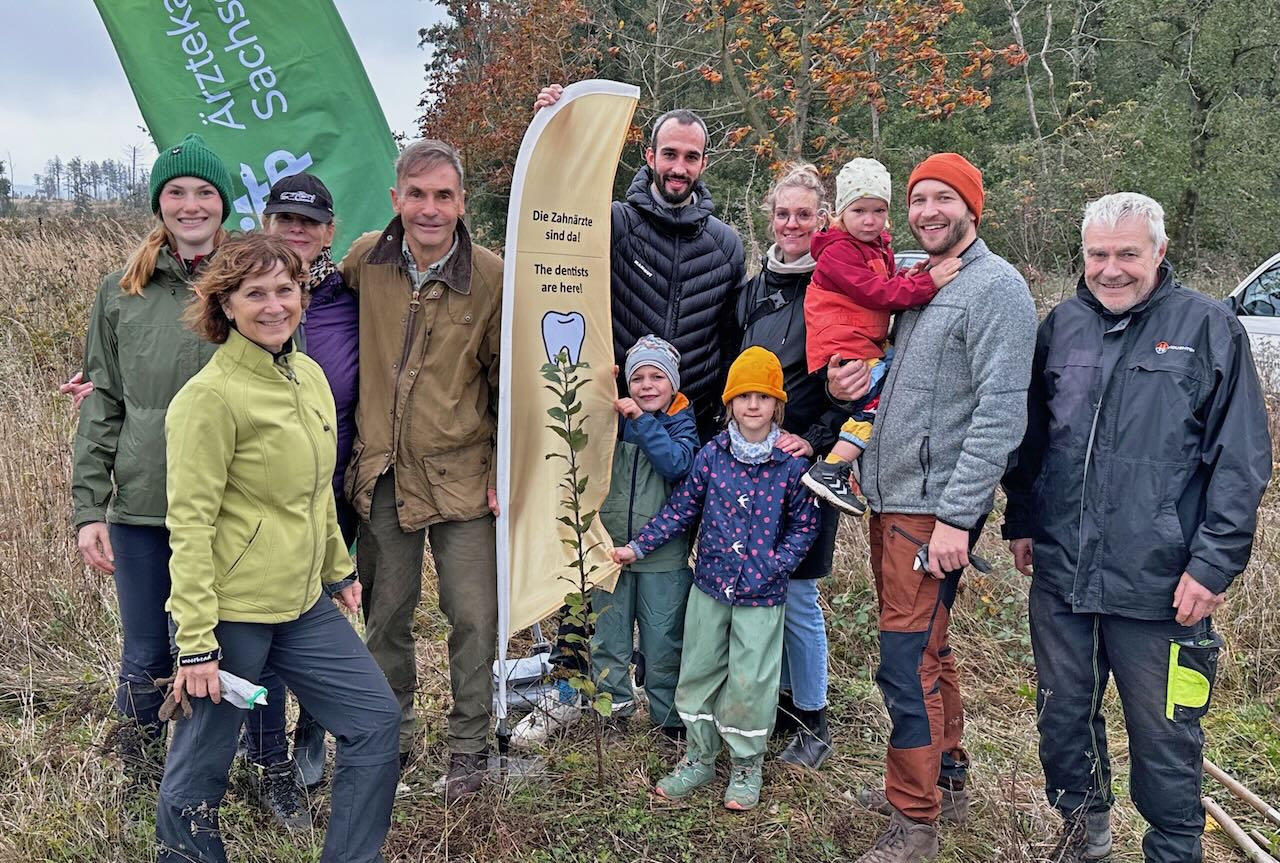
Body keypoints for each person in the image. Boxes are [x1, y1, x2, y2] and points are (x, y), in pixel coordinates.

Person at [1002, 192, 1271, 863]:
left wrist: (1213, 564)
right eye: (1099, 254)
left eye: (1127, 253)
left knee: (1166, 734)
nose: (1112, 269)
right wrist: (1023, 518)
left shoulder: (1209, 327)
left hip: (1164, 583)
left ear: (1159, 250)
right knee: (1062, 716)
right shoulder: (1059, 326)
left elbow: (1240, 460)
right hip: (1063, 573)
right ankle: (1081, 836)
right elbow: (1032, 440)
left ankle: (1174, 848)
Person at [69, 135, 297, 818]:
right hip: (144, 505)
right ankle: (139, 774)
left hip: (239, 508)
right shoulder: (122, 291)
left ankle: (269, 768)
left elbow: (289, 390)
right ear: (159, 203)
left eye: (204, 192)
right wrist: (88, 508)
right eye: (176, 192)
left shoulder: (250, 280)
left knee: (255, 649)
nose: (191, 204)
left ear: (223, 203)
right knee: (146, 648)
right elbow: (103, 398)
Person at [155, 232, 399, 863]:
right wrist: (197, 643)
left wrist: (338, 569)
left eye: (284, 289)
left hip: (300, 602)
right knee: (200, 769)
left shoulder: (309, 376)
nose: (273, 305)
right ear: (225, 305)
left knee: (375, 722)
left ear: (302, 295)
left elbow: (316, 494)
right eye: (253, 293)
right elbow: (189, 526)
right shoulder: (208, 399)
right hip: (232, 613)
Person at [844, 153, 1037, 863]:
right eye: (917, 199)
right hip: (892, 500)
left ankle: (913, 820)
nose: (927, 211)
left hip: (933, 512)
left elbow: (999, 413)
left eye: (942, 199)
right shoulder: (918, 282)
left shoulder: (996, 289)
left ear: (972, 208)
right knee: (928, 647)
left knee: (903, 661)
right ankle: (945, 777)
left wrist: (959, 516)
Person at [340, 139, 502, 800]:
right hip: (381, 473)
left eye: (443, 195)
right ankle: (393, 740)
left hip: (462, 474)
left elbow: (510, 382)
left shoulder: (491, 276)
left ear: (461, 202)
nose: (429, 209)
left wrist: (509, 469)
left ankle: (468, 749)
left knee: (474, 615)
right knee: (386, 615)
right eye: (417, 194)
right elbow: (292, 310)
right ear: (395, 198)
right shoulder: (364, 262)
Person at [613, 346, 819, 811]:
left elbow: (805, 526)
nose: (752, 406)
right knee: (699, 669)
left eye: (762, 397)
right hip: (710, 585)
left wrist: (775, 564)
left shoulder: (790, 465)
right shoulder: (712, 456)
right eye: (743, 396)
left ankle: (747, 765)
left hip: (761, 596)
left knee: (751, 680)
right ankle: (699, 756)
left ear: (776, 405)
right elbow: (682, 509)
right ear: (729, 403)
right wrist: (639, 546)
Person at [735, 163, 845, 769]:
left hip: (807, 464)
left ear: (823, 219)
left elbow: (856, 384)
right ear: (770, 218)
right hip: (750, 459)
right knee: (760, 584)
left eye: (805, 214)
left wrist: (818, 440)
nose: (793, 224)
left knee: (798, 592)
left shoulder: (837, 290)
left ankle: (813, 718)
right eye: (784, 213)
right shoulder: (753, 291)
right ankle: (774, 704)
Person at [261, 171, 360, 788]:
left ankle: (311, 739)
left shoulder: (351, 294)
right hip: (265, 489)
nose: (296, 231)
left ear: (329, 233)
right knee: (267, 616)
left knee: (323, 615)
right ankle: (266, 750)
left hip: (340, 482)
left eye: (309, 222)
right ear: (268, 223)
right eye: (285, 219)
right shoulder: (245, 289)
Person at [799, 158, 961, 515]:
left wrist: (913, 275)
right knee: (876, 404)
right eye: (859, 210)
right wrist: (927, 283)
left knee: (894, 382)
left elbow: (888, 285)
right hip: (844, 345)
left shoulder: (876, 246)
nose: (870, 220)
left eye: (879, 210)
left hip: (863, 341)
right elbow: (879, 294)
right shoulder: (837, 252)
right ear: (842, 212)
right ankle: (832, 468)